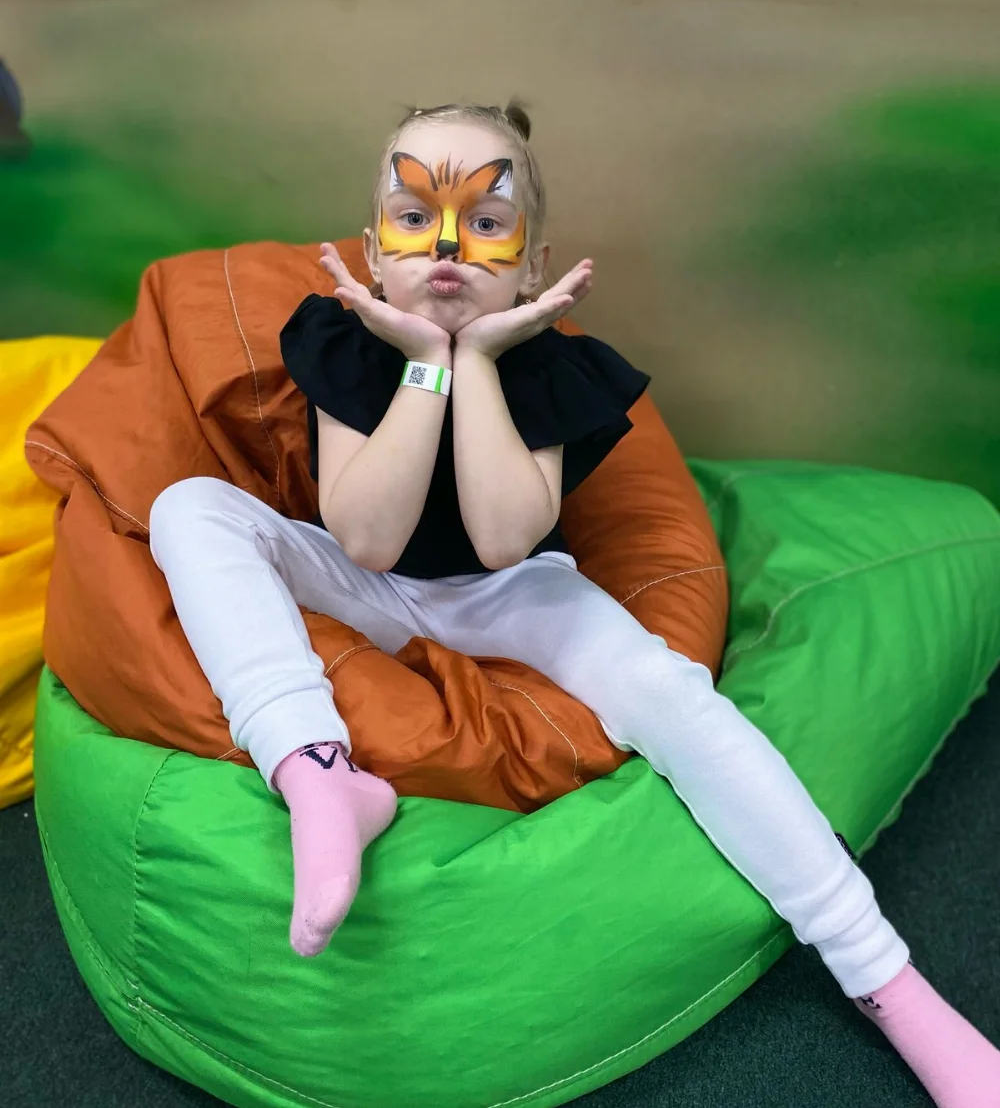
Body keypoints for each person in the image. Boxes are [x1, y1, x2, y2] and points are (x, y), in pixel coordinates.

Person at [149, 101, 1000, 1108]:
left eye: (486, 222)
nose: (448, 245)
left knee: (672, 693)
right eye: (414, 217)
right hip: (363, 576)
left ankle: (885, 979)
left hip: (515, 592)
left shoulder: (549, 364)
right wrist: (422, 361)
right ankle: (317, 771)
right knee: (188, 508)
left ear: (532, 263)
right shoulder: (344, 338)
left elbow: (502, 536)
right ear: (373, 254)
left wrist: (476, 359)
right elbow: (367, 537)